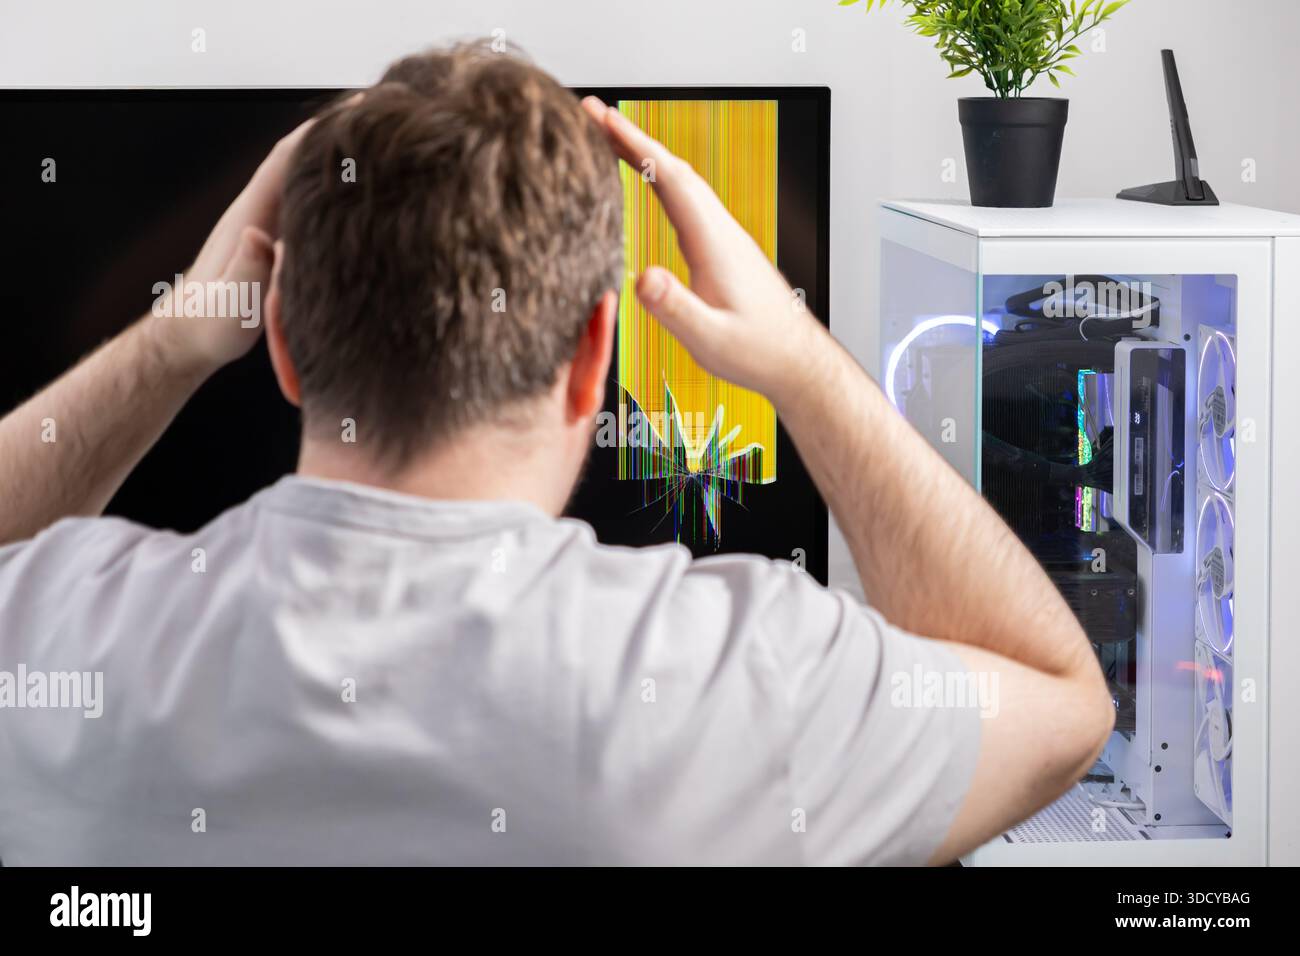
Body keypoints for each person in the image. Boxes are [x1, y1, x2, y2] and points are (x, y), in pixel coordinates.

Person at [0, 42, 1112, 865]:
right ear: (596, 358)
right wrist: (799, 356)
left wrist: (172, 337)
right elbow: (1064, 706)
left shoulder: (57, 634)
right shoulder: (750, 678)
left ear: (280, 340)